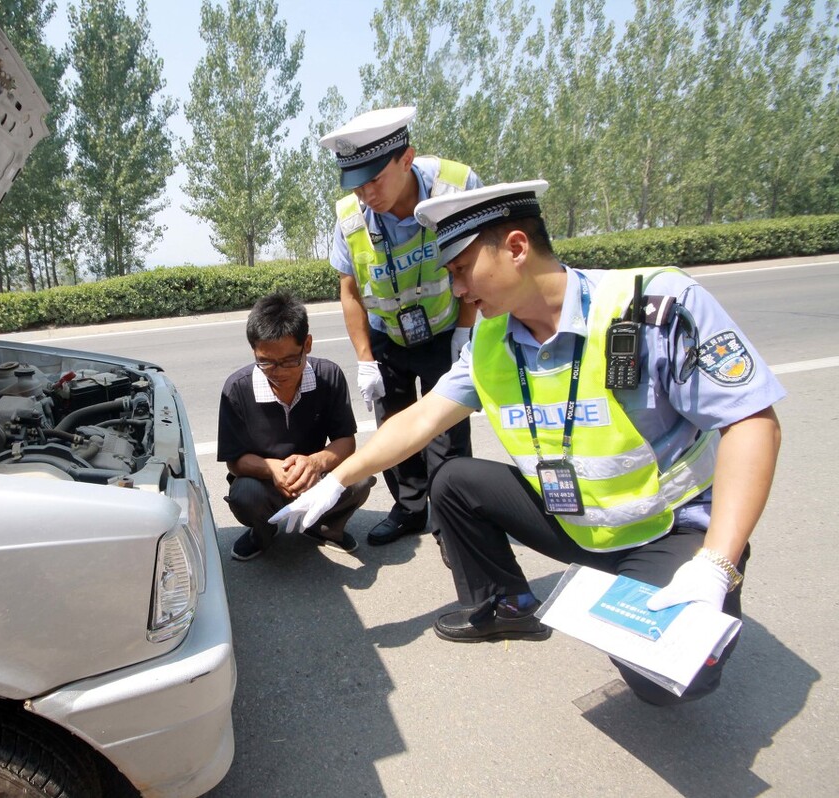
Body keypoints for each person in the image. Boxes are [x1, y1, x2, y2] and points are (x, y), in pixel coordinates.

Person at [272, 180, 784, 705]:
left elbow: (752, 422)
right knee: (454, 480)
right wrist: (336, 480)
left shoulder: (652, 306)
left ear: (516, 248)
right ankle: (509, 606)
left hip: (664, 528)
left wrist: (716, 563)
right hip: (572, 516)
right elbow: (420, 420)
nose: (456, 290)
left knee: (667, 682)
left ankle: (708, 582)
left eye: (461, 270)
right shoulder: (491, 339)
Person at [320, 106, 482, 547]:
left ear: (406, 159)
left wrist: (466, 335)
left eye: (374, 180)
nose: (365, 194)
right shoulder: (350, 217)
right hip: (387, 335)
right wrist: (365, 360)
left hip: (447, 328)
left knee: (446, 434)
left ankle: (453, 523)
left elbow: (480, 264)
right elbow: (350, 291)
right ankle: (409, 509)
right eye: (356, 184)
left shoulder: (456, 186)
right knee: (392, 426)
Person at [218, 293, 376, 561]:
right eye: (266, 361)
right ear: (254, 351)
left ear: (308, 344)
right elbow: (235, 462)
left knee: (359, 478)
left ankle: (324, 527)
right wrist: (272, 470)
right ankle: (262, 534)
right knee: (245, 494)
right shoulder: (237, 388)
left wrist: (314, 463)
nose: (278, 371)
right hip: (264, 482)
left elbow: (346, 443)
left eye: (290, 360)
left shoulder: (329, 376)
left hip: (316, 479)